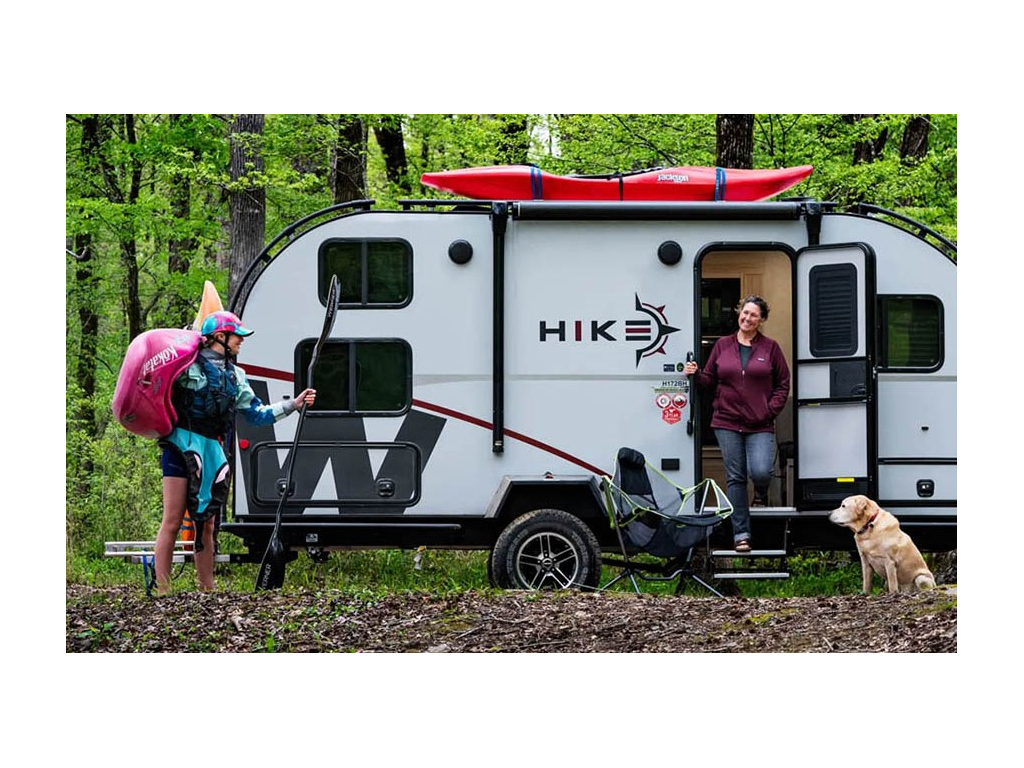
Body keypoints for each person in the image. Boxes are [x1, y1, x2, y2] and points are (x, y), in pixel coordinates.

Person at [154, 310, 316, 594]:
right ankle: (163, 591)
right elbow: (158, 385)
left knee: (207, 523)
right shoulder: (186, 365)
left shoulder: (236, 376)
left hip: (212, 450)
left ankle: (207, 589)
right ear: (220, 337)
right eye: (237, 336)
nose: (241, 341)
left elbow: (257, 414)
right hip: (181, 446)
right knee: (172, 519)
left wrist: (294, 405)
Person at [684, 295, 790, 552]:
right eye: (745, 313)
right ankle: (741, 534)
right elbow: (709, 380)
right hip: (727, 421)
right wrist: (695, 374)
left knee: (762, 471)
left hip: (759, 423)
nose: (748, 318)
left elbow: (783, 383)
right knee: (736, 477)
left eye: (754, 315)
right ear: (738, 313)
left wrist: (769, 411)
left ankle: (761, 492)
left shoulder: (770, 348)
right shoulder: (722, 345)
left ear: (761, 320)